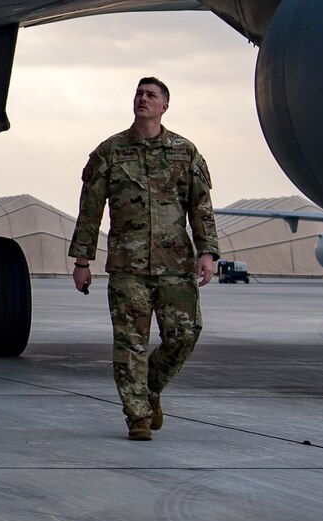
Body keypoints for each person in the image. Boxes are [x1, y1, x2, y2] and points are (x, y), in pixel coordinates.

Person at [68, 77, 219, 440]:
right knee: (129, 343)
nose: (143, 99)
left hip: (175, 265)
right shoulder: (110, 151)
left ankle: (149, 389)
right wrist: (82, 260)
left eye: (151, 95)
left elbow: (201, 207)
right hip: (127, 268)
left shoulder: (186, 152)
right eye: (139, 94)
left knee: (185, 334)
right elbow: (90, 209)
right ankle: (137, 416)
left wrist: (208, 252)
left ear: (165, 106)